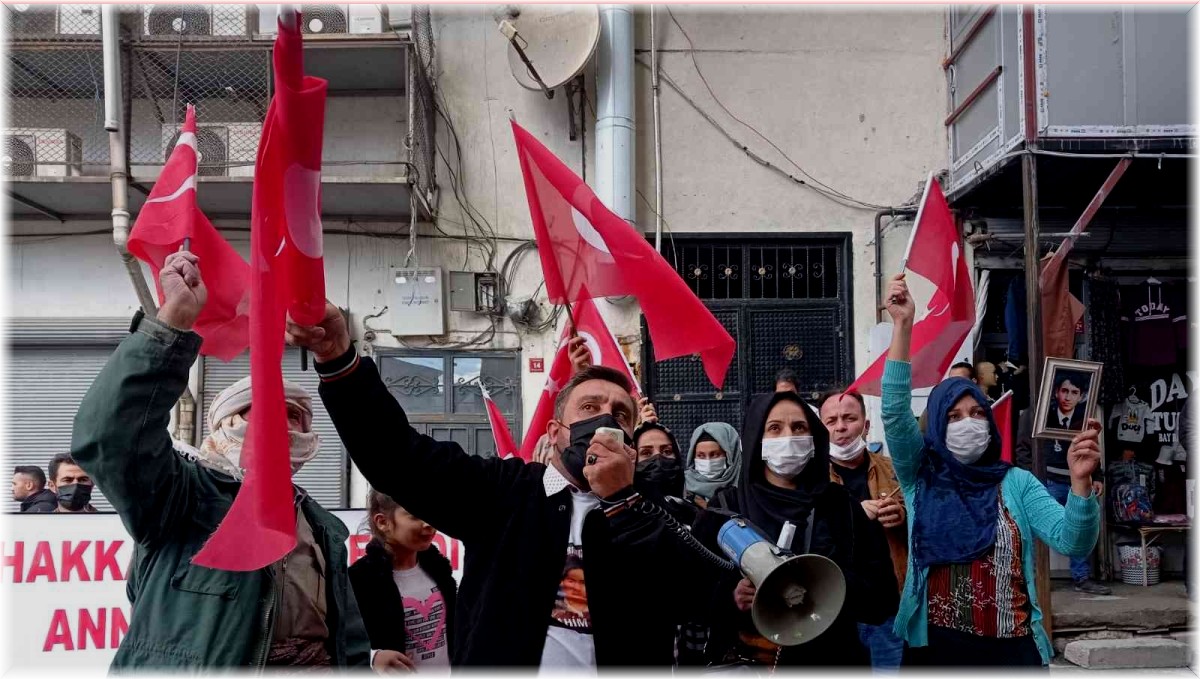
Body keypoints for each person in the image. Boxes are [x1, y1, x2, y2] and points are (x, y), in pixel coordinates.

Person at [288, 303, 726, 668]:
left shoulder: (656, 509)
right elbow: (399, 458)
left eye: (621, 414)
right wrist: (340, 362)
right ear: (554, 433)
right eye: (590, 406)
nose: (606, 419)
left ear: (632, 439)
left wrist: (624, 501)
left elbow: (702, 595)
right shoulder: (504, 491)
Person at [70, 252, 390, 671]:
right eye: (267, 411)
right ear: (226, 424)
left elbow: (343, 636)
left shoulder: (321, 527)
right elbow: (109, 437)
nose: (284, 424)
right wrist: (173, 321)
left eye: (295, 416)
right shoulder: (180, 497)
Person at [880, 273, 1101, 667]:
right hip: (936, 650)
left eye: (977, 412)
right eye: (954, 416)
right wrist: (902, 325)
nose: (969, 423)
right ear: (936, 426)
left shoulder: (1016, 482)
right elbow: (894, 411)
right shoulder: (921, 475)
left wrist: (1080, 485)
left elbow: (1074, 542)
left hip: (1012, 651)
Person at [693, 389, 899, 667]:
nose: (788, 437)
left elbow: (882, 598)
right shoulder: (723, 510)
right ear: (756, 437)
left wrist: (825, 584)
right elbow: (693, 598)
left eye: (799, 427)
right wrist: (733, 597)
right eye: (774, 428)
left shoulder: (840, 505)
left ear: (813, 437)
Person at [817, 389, 908, 671]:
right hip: (836, 610)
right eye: (831, 421)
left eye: (849, 418)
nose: (841, 427)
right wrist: (854, 514)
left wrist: (903, 517)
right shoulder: (812, 479)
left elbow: (926, 530)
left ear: (866, 425)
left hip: (888, 609)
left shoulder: (894, 472)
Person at [351, 488, 456, 671]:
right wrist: (374, 657)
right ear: (383, 522)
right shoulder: (359, 580)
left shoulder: (440, 571)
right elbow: (341, 643)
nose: (428, 523)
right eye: (415, 515)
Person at [1015, 408, 1110, 595]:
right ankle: (1033, 578)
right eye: (1063, 390)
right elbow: (1023, 448)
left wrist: (1096, 475)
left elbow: (1089, 447)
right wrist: (1030, 480)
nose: (1067, 396)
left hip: (1076, 479)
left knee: (1081, 525)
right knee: (1036, 531)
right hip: (1045, 478)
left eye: (1074, 391)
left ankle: (1081, 577)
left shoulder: (1082, 413)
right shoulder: (1035, 410)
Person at [683, 422, 742, 509]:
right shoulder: (682, 486)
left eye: (715, 454)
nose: (708, 462)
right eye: (700, 455)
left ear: (730, 456)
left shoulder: (746, 486)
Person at [633, 421, 686, 502]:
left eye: (667, 451)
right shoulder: (622, 512)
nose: (658, 458)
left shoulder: (695, 511)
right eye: (646, 453)